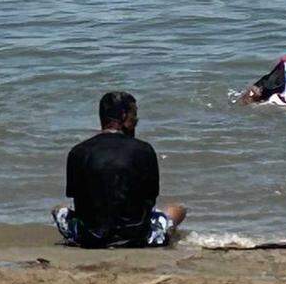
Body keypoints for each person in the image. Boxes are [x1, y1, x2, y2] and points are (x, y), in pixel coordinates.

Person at [53, 91, 187, 248]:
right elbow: (150, 198)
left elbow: (77, 200)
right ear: (123, 116)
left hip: (90, 239)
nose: (137, 121)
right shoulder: (144, 150)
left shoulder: (77, 152)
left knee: (58, 209)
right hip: (138, 239)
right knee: (178, 209)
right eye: (134, 115)